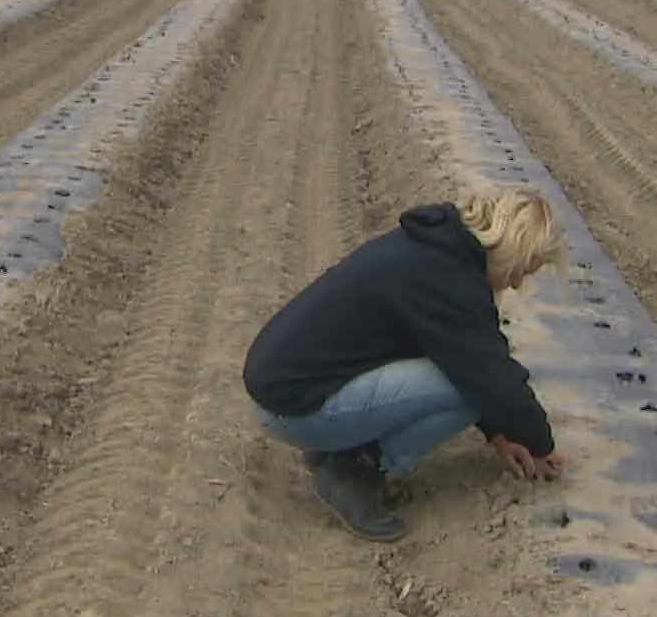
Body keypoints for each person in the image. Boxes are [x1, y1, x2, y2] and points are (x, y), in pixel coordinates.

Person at [243, 186, 570, 542]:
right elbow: (493, 379)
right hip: (293, 407)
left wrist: (497, 433)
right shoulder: (450, 279)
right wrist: (542, 446)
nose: (519, 283)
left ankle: (337, 447)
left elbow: (467, 356)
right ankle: (356, 470)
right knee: (466, 390)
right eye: (524, 269)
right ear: (513, 250)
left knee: (468, 378)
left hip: (289, 390)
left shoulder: (434, 248)